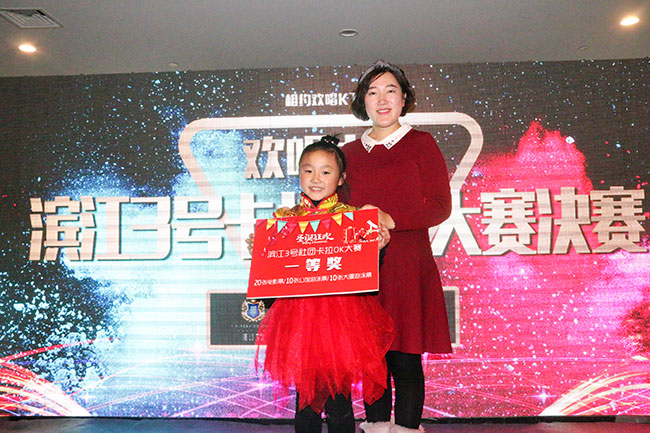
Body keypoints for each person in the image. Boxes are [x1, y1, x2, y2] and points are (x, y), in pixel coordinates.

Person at [251, 136, 395, 433]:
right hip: (298, 321)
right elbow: (274, 277)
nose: (316, 179)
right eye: (308, 170)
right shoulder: (283, 220)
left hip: (341, 323)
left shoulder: (353, 219)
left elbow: (367, 279)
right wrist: (261, 251)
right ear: (299, 174)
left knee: (339, 401)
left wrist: (377, 249)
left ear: (341, 178)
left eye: (326, 171)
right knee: (305, 402)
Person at [341, 60, 453, 433]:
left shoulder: (421, 143)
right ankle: (375, 427)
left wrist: (390, 219)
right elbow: (334, 212)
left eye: (390, 90)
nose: (382, 100)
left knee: (405, 361)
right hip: (363, 273)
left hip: (407, 267)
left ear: (404, 98)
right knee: (372, 363)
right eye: (372, 92)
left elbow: (440, 206)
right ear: (363, 102)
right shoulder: (348, 153)